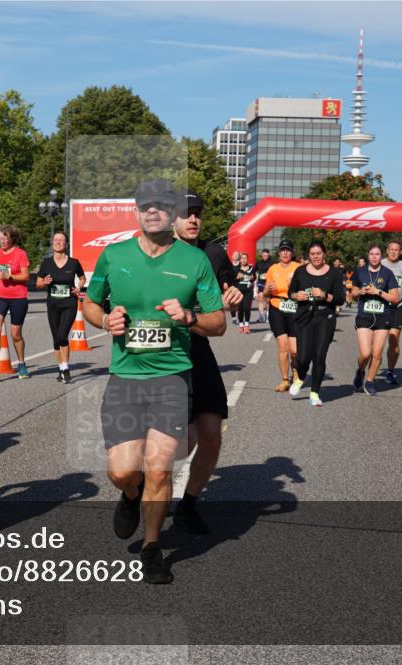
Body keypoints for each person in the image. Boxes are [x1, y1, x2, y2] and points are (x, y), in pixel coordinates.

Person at [83, 179, 225, 584]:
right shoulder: (114, 256)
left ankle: (151, 546)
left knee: (161, 469)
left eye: (162, 206)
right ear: (137, 210)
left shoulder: (194, 262)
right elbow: (92, 303)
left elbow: (219, 324)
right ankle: (130, 494)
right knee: (124, 471)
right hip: (126, 377)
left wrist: (191, 318)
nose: (153, 212)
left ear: (172, 213)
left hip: (172, 378)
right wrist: (104, 320)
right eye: (146, 205)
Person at [172, 190, 241, 535]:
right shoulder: (161, 252)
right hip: (165, 352)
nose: (194, 219)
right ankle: (141, 485)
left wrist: (234, 293)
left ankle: (187, 505)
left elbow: (230, 287)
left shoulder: (213, 253)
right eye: (186, 213)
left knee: (211, 434)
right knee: (179, 442)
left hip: (198, 346)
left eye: (197, 212)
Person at [288, 240, 346, 406]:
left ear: (324, 254)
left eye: (318, 253)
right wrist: (296, 296)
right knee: (303, 358)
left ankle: (315, 393)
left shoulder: (334, 273)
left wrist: (324, 295)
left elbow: (340, 299)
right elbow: (290, 292)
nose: (315, 257)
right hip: (305, 315)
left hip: (325, 317)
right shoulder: (300, 271)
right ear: (309, 255)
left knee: (319, 356)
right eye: (312, 254)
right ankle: (300, 377)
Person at [0, 226, 31, 379]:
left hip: (18, 298)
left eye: (5, 238)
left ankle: (21, 363)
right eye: (0, 238)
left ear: (12, 239)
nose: (2, 240)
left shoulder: (20, 254)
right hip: (0, 296)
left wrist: (10, 277)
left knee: (15, 334)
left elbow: (26, 276)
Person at [36, 231, 86, 383]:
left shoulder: (73, 262)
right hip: (53, 305)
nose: (58, 242)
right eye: (56, 240)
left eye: (61, 240)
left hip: (69, 304)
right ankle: (61, 368)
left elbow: (82, 278)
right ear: (52, 243)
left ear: (66, 244)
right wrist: (44, 282)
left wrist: (79, 287)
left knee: (62, 335)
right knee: (56, 340)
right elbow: (38, 284)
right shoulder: (47, 263)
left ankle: (65, 368)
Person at [351, 244, 400, 396]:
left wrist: (378, 292)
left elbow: (395, 298)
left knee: (377, 353)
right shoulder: (359, 272)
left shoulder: (387, 273)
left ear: (381, 256)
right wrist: (361, 291)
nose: (374, 256)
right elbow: (352, 294)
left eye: (377, 254)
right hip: (364, 316)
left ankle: (370, 381)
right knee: (365, 353)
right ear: (368, 255)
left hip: (383, 317)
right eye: (371, 254)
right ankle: (360, 371)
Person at [263, 239, 302, 392]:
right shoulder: (273, 269)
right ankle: (285, 380)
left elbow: (305, 290)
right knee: (283, 345)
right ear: (279, 253)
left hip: (294, 308)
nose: (285, 252)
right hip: (276, 307)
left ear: (292, 253)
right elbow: (265, 293)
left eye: (288, 250)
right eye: (282, 250)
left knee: (295, 350)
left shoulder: (299, 268)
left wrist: (296, 285)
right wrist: (268, 290)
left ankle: (296, 371)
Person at [381, 240, 402, 386]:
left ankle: (390, 370)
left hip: (397, 306)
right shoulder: (380, 263)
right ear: (387, 250)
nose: (394, 252)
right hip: (380, 306)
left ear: (400, 252)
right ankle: (370, 365)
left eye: (397, 250)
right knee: (377, 341)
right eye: (391, 249)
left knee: (394, 339)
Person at [232, 251, 255, 333]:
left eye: (245, 258)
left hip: (248, 291)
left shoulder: (252, 268)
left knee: (247, 308)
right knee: (240, 308)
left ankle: (247, 325)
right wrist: (237, 278)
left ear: (247, 259)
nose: (244, 260)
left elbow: (254, 279)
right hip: (239, 291)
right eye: (242, 258)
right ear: (240, 259)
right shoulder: (236, 269)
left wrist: (252, 280)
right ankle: (241, 325)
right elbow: (233, 280)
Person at [255, 248, 273, 323]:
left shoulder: (272, 263)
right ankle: (261, 316)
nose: (265, 256)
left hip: (268, 283)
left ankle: (268, 315)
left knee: (268, 300)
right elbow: (253, 271)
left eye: (266, 255)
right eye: (264, 255)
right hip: (260, 282)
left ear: (268, 255)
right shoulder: (258, 262)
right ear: (262, 255)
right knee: (260, 297)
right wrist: (255, 278)